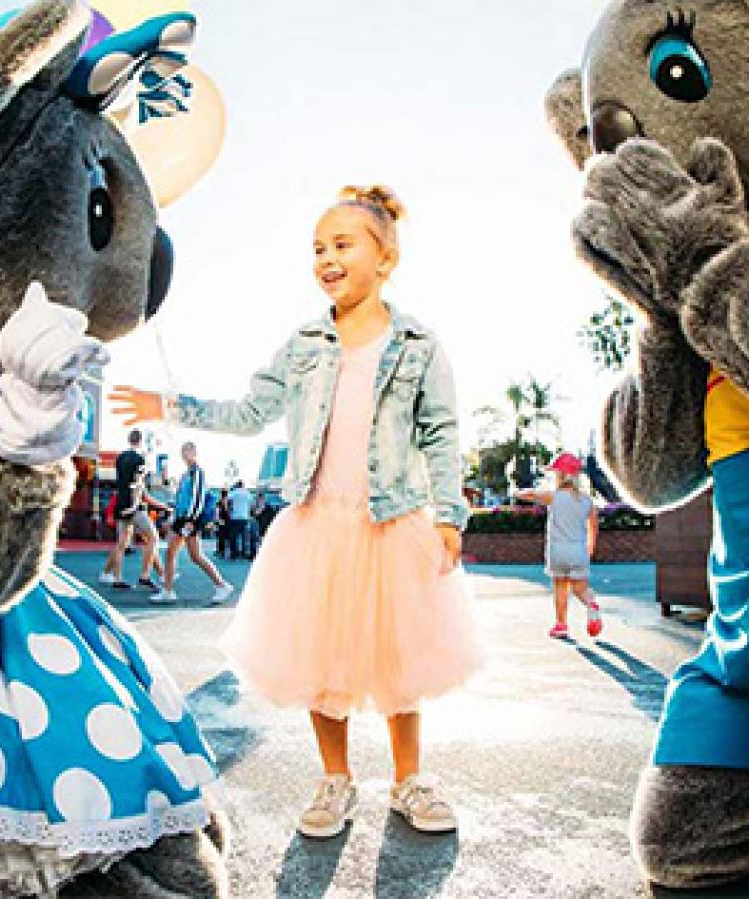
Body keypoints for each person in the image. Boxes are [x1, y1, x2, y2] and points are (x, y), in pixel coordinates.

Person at [112, 184, 482, 839]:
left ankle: (408, 780)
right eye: (317, 247)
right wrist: (170, 407)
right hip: (315, 522)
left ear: (385, 256)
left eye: (342, 244)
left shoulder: (420, 342)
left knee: (401, 659)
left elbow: (439, 430)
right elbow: (251, 412)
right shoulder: (305, 341)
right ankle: (334, 778)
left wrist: (448, 513)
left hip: (392, 521)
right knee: (320, 659)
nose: (326, 257)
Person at [516, 453, 603, 639]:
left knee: (560, 587)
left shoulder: (554, 496)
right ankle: (591, 603)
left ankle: (561, 624)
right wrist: (590, 548)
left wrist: (517, 492)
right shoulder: (587, 501)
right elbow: (593, 528)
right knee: (580, 588)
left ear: (560, 475)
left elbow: (531, 494)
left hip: (558, 550)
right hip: (578, 550)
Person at [153, 442, 234, 605]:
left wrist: (190, 521)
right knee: (190, 556)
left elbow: (198, 498)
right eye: (183, 451)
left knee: (176, 553)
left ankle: (169, 590)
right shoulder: (186, 474)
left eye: (188, 451)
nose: (185, 454)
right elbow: (180, 498)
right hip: (183, 519)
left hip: (189, 520)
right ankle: (220, 585)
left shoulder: (197, 473)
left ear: (195, 453)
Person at [99, 429, 163, 590]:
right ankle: (145, 575)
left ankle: (117, 577)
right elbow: (137, 484)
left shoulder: (120, 458)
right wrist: (134, 505)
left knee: (121, 542)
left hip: (120, 503)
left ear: (129, 439)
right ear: (141, 441)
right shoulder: (140, 459)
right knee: (153, 537)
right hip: (133, 505)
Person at [228, 480, 252, 559]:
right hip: (244, 517)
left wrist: (229, 511)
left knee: (233, 536)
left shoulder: (234, 493)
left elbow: (227, 499)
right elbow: (251, 504)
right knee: (244, 536)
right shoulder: (247, 494)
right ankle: (244, 553)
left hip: (234, 517)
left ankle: (234, 554)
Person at [214, 487, 231, 559]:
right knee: (224, 536)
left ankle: (220, 551)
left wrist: (217, 520)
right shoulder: (229, 501)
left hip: (221, 520)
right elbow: (229, 512)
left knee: (220, 536)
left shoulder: (219, 501)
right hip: (227, 520)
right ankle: (222, 551)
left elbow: (217, 512)